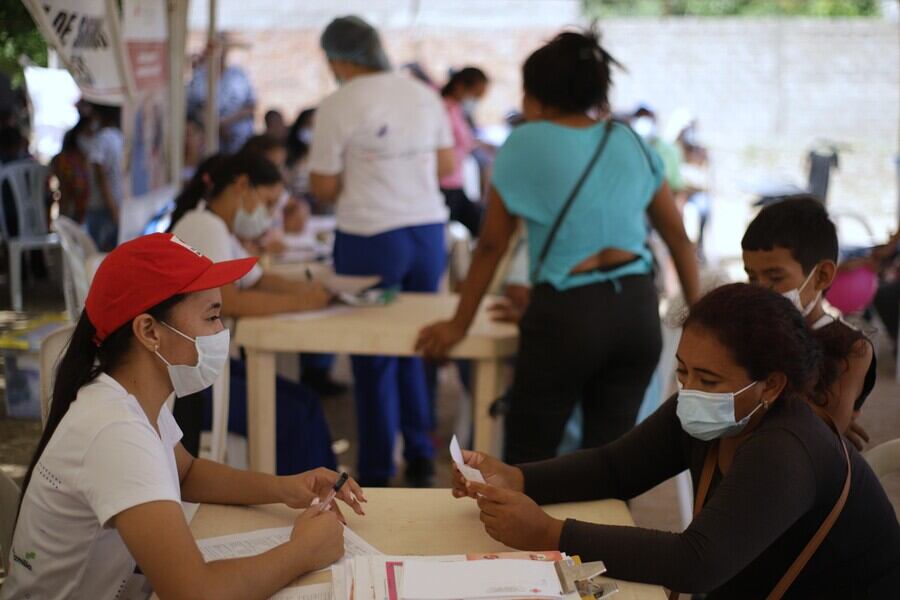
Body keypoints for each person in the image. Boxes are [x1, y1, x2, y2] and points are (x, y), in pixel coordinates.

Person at [452, 283, 900, 598]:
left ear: (771, 385)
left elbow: (696, 562)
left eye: (707, 377)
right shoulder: (716, 409)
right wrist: (518, 478)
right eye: (683, 370)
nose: (689, 389)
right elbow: (617, 467)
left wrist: (549, 532)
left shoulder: (787, 448)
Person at [1, 233, 364, 599]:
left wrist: (284, 488)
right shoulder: (114, 429)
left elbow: (185, 472)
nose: (220, 334)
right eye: (212, 317)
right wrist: (301, 552)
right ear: (148, 331)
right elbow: (193, 593)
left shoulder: (129, 397)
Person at [418, 29, 700, 464]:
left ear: (536, 94)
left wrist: (458, 323)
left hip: (568, 314)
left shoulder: (523, 143)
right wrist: (700, 321)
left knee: (529, 463)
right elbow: (679, 239)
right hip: (637, 314)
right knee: (609, 465)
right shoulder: (630, 141)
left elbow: (492, 246)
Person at [309, 15, 456, 487]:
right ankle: (419, 453)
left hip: (371, 236)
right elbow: (447, 166)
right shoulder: (423, 93)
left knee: (371, 354)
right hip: (427, 232)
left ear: (338, 59)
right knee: (420, 343)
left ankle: (375, 469)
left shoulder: (338, 104)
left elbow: (324, 186)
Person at [168, 153, 335, 471]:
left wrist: (315, 292)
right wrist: (305, 301)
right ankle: (305, 503)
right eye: (268, 203)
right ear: (242, 186)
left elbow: (258, 280)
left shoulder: (219, 228)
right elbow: (230, 300)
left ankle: (324, 497)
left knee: (307, 403)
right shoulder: (205, 226)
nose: (269, 215)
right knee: (295, 416)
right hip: (192, 384)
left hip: (208, 370)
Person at [742, 197, 875, 450]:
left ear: (822, 275)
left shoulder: (852, 349)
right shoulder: (745, 330)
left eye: (774, 276)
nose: (760, 289)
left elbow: (820, 434)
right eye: (751, 276)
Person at [440, 67, 489, 237]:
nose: (474, 101)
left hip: (455, 183)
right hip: (444, 185)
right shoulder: (442, 109)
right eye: (474, 95)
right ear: (460, 86)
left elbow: (465, 141)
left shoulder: (456, 109)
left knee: (482, 226)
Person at [187, 32, 256, 153]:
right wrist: (214, 125)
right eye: (217, 48)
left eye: (224, 48)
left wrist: (225, 123)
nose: (220, 53)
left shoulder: (238, 74)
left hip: (236, 137)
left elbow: (250, 105)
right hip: (207, 136)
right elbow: (192, 108)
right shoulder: (199, 76)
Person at [85, 103, 124, 251]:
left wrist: (113, 211)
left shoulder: (100, 140)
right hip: (113, 207)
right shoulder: (119, 137)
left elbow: (101, 179)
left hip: (103, 209)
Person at [50, 118, 94, 223]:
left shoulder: (89, 159)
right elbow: (64, 194)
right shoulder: (65, 161)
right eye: (88, 132)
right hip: (73, 215)